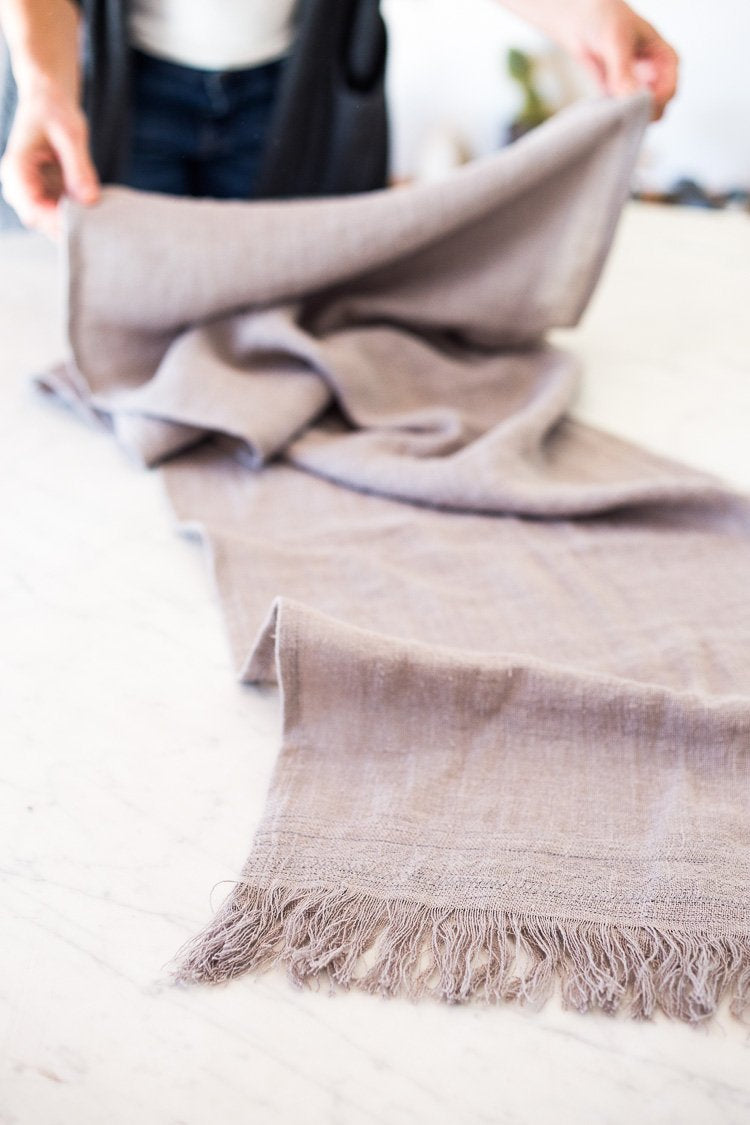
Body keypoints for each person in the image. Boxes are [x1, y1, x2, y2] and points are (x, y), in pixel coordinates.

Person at [0, 0, 678, 240]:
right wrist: (45, 88)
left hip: (297, 92)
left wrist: (587, 13)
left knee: (287, 323)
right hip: (126, 89)